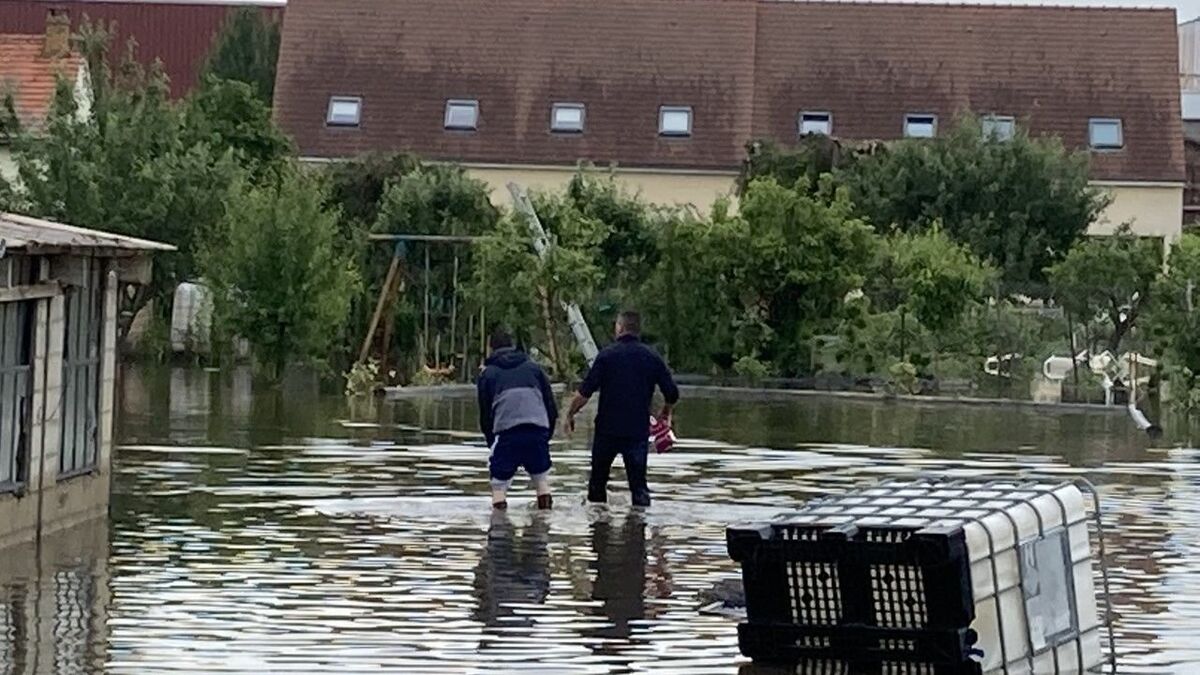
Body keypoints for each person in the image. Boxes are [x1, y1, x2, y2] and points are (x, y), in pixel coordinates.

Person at [565, 311, 679, 507]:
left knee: (597, 485)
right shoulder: (652, 357)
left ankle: (598, 530)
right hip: (636, 432)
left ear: (620, 327)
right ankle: (639, 529)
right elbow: (672, 392)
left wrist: (570, 414)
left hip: (607, 431)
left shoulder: (607, 356)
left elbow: (585, 393)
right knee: (639, 488)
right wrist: (666, 412)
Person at [477, 329, 558, 510]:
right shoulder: (534, 369)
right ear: (512, 346)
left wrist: (492, 442)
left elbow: (485, 415)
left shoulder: (488, 374)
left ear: (491, 348)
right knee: (541, 480)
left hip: (507, 433)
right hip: (537, 429)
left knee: (498, 485)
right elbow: (551, 406)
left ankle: (499, 529)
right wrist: (546, 435)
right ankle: (544, 525)